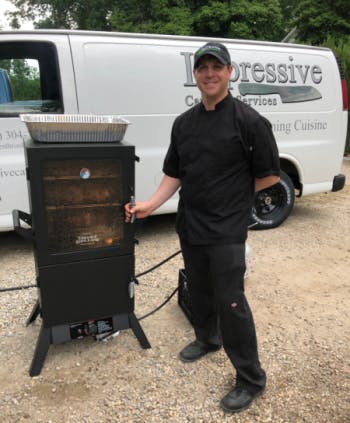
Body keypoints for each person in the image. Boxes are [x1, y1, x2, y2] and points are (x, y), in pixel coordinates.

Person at [125, 41, 280, 413]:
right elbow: (174, 174)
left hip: (226, 231)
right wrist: (149, 204)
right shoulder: (184, 124)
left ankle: (250, 378)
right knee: (200, 291)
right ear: (195, 75)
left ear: (230, 72)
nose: (209, 74)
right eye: (202, 68)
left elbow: (270, 176)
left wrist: (233, 199)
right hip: (190, 225)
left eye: (216, 67)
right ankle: (208, 340)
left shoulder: (249, 121)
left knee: (231, 302)